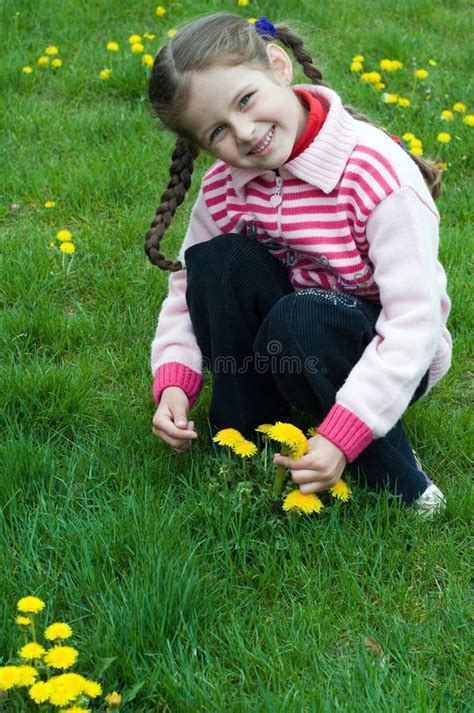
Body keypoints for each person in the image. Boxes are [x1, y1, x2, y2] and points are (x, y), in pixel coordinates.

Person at [144, 13, 452, 515]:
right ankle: (246, 437)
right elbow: (187, 288)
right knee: (217, 261)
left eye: (246, 99)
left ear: (280, 67)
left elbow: (413, 323)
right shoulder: (226, 187)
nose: (244, 132)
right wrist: (175, 379)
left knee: (300, 318)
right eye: (218, 130)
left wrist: (341, 435)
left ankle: (401, 478)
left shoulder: (375, 175)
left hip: (386, 349)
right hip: (291, 333)